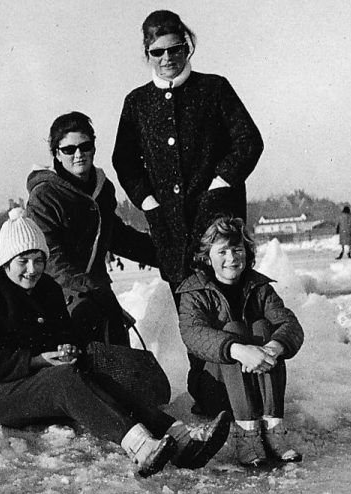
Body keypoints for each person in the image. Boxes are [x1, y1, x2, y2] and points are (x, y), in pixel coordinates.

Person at [0, 208, 231, 477]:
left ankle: (179, 436)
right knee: (61, 380)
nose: (32, 269)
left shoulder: (48, 288)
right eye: (23, 261)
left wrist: (67, 348)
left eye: (39, 260)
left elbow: (64, 333)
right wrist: (35, 360)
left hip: (39, 379)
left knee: (88, 373)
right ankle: (140, 446)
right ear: (6, 261)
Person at [112, 10, 264, 295]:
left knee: (231, 305)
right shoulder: (137, 103)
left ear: (187, 47)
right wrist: (148, 203)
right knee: (191, 311)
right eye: (157, 52)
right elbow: (124, 161)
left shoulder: (214, 88)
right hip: (170, 227)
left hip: (219, 224)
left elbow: (249, 141)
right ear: (147, 54)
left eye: (175, 49)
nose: (167, 58)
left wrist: (219, 186)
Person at [176, 216, 304, 466]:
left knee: (264, 328)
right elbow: (193, 334)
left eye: (237, 249)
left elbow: (291, 325)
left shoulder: (259, 287)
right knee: (232, 330)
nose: (231, 258)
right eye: (222, 251)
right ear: (207, 257)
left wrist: (272, 348)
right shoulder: (193, 292)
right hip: (216, 389)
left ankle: (272, 428)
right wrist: (238, 350)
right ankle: (246, 434)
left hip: (258, 387)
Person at [27, 112, 158, 346]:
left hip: (97, 293)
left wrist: (165, 253)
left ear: (94, 148)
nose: (78, 155)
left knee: (120, 357)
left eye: (84, 146)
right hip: (59, 297)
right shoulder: (45, 195)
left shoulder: (101, 189)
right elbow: (51, 259)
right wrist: (92, 289)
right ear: (56, 153)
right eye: (68, 149)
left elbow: (116, 235)